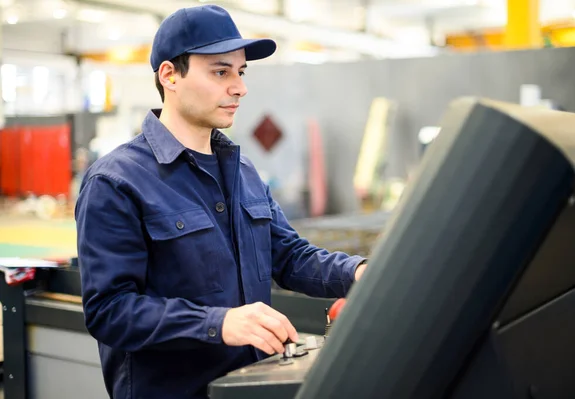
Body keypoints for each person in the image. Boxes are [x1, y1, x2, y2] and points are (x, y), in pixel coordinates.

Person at [74, 5, 368, 399]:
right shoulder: (117, 181)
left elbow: (289, 256)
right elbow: (110, 311)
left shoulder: (241, 170)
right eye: (220, 72)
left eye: (240, 72)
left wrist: (362, 273)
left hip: (248, 387)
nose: (239, 87)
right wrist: (219, 323)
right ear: (169, 75)